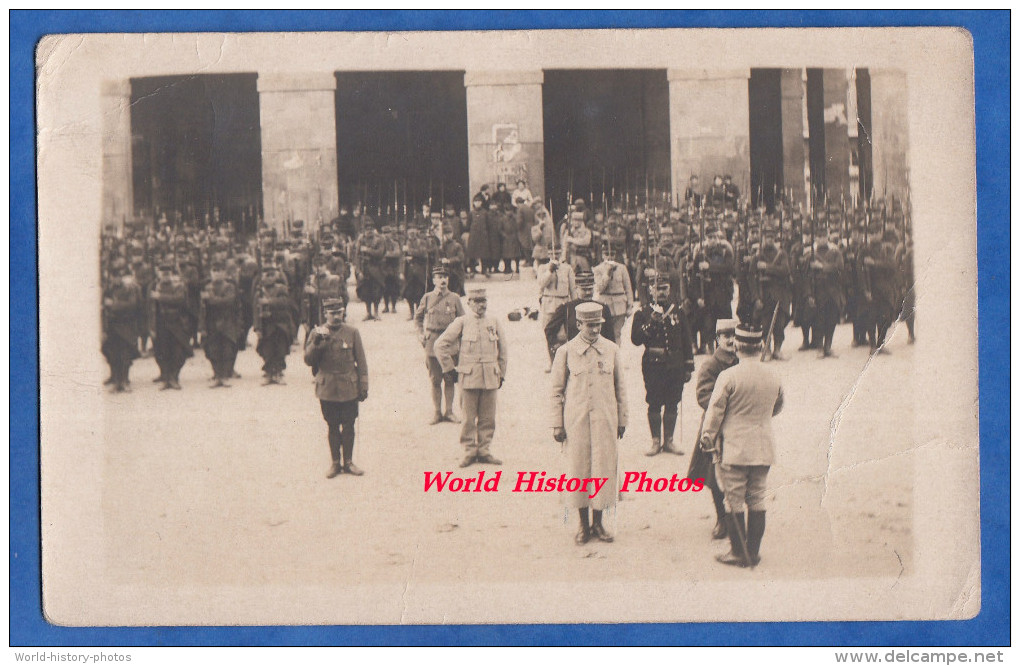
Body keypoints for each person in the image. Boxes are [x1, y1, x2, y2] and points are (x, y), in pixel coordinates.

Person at [700, 324, 784, 567]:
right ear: (759, 347)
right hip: (763, 446)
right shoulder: (773, 375)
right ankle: (753, 552)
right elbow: (777, 407)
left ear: (737, 346)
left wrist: (708, 435)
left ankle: (738, 552)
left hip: (734, 449)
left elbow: (715, 412)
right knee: (757, 499)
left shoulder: (728, 376)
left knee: (733, 501)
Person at [550, 302, 628, 545]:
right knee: (579, 470)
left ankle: (599, 523)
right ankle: (583, 526)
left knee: (603, 470)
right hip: (577, 421)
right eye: (590, 325)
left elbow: (621, 388)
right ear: (579, 324)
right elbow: (555, 390)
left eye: (598, 325)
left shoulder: (612, 349)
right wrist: (557, 424)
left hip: (605, 420)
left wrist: (622, 419)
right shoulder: (566, 352)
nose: (594, 330)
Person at [434, 287, 508, 468]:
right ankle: (469, 451)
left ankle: (484, 450)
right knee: (468, 418)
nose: (481, 305)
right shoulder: (462, 322)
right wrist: (450, 370)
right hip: (468, 377)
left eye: (484, 301)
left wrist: (502, 374)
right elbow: (440, 345)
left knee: (488, 418)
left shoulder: (494, 322)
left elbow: (503, 351)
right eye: (477, 301)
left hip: (490, 376)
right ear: (469, 304)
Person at [686, 318, 740, 541]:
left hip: (737, 427)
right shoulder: (711, 364)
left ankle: (735, 519)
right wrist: (724, 408)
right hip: (714, 428)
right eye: (726, 336)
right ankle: (721, 519)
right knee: (714, 477)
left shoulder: (742, 361)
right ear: (717, 339)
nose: (731, 340)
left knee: (736, 474)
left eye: (734, 336)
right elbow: (703, 395)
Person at [304, 298, 369, 478]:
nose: (336, 316)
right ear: (325, 314)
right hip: (328, 388)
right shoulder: (317, 333)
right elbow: (308, 360)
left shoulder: (352, 332)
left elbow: (361, 361)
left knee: (348, 425)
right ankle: (335, 463)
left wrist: (363, 385)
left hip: (349, 386)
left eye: (339, 312)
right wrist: (317, 343)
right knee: (332, 425)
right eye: (332, 313)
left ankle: (348, 462)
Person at [630, 280, 695, 456]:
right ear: (651, 290)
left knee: (673, 402)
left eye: (665, 288)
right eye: (657, 289)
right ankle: (655, 441)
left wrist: (689, 365)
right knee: (654, 402)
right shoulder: (643, 313)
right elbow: (635, 339)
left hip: (676, 365)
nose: (661, 292)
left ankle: (669, 441)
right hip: (653, 366)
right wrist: (651, 323)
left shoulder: (678, 312)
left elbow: (686, 340)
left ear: (669, 290)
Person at [415, 263, 465, 425]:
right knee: (435, 380)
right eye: (439, 277)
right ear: (434, 279)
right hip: (432, 341)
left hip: (449, 342)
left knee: (450, 378)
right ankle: (437, 412)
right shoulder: (427, 298)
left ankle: (449, 411)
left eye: (445, 277)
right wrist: (420, 334)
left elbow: (463, 320)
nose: (442, 280)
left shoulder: (455, 298)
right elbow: (418, 318)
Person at [544, 271, 614, 362]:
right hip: (575, 356)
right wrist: (557, 347)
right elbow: (549, 329)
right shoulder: (567, 308)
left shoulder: (603, 308)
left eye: (590, 288)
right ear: (576, 289)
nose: (588, 292)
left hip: (598, 357)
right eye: (584, 289)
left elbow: (610, 337)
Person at [199, 260, 242, 388]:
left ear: (224, 273)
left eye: (220, 271)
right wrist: (201, 327)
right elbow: (202, 308)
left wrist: (212, 300)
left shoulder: (230, 287)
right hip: (211, 323)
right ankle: (217, 375)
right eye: (214, 271)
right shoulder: (206, 288)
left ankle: (225, 375)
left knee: (228, 350)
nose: (217, 274)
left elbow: (228, 301)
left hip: (227, 321)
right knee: (213, 350)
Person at [101, 265, 144, 392]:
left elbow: (132, 305)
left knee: (125, 355)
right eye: (115, 277)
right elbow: (103, 308)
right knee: (112, 354)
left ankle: (124, 381)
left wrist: (114, 304)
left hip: (126, 325)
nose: (117, 279)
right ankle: (116, 380)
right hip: (112, 326)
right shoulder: (108, 289)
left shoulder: (129, 289)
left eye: (119, 276)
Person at [593, 244, 634, 343]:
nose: (609, 257)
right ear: (603, 255)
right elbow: (599, 288)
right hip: (605, 304)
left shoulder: (622, 268)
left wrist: (629, 305)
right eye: (607, 254)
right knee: (604, 334)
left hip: (620, 305)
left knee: (617, 334)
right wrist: (607, 273)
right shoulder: (598, 269)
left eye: (612, 254)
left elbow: (628, 287)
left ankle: (616, 355)